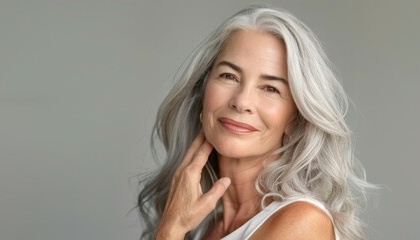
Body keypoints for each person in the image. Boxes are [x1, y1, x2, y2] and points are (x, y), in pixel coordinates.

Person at [137, 6, 373, 240]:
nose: (241, 102)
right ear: (203, 92)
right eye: (229, 76)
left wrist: (170, 229)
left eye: (270, 88)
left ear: (295, 118)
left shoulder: (302, 222)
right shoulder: (201, 226)